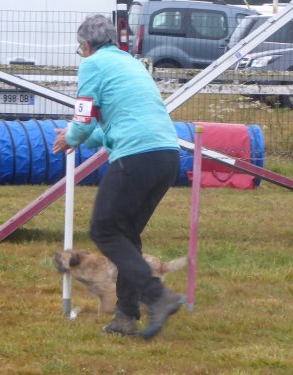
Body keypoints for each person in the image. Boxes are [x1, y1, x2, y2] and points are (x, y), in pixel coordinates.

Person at [53, 14, 185, 340]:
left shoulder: (92, 65)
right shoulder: (129, 63)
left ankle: (158, 296)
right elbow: (112, 127)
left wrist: (71, 136)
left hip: (136, 156)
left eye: (80, 49)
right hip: (166, 155)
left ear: (85, 45)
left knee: (104, 230)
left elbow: (84, 121)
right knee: (126, 236)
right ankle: (125, 319)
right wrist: (79, 136)